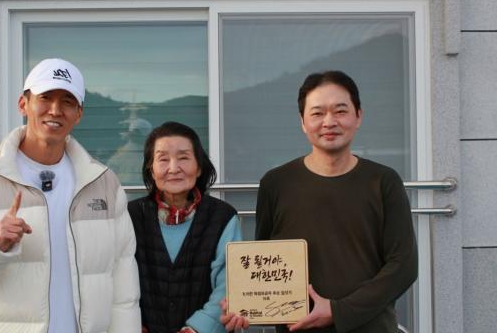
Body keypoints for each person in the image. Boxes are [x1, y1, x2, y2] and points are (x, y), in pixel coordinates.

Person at [0, 58, 141, 333]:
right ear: (23, 104)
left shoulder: (103, 183)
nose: (55, 110)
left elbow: (123, 288)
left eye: (67, 101)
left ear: (79, 113)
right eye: (45, 97)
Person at [222, 70, 418, 332]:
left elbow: (403, 266)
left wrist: (339, 311)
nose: (329, 122)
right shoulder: (276, 183)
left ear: (358, 116)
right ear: (303, 121)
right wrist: (246, 305)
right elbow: (267, 262)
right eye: (317, 113)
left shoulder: (383, 181)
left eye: (340, 111)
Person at [128, 121, 242, 333]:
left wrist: (199, 328)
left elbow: (229, 283)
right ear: (151, 170)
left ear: (199, 167)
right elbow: (118, 277)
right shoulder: (130, 216)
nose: (174, 168)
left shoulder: (223, 217)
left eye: (183, 158)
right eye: (163, 159)